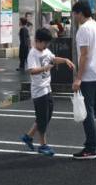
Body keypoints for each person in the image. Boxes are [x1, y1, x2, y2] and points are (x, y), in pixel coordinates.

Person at [20, 28, 74, 156]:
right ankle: (43, 145)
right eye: (44, 43)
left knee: (46, 115)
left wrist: (65, 60)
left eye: (47, 44)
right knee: (43, 118)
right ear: (37, 41)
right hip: (39, 91)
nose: (46, 46)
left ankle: (28, 136)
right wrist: (45, 67)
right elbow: (31, 70)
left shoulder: (45, 50)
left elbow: (53, 59)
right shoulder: (33, 53)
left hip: (47, 88)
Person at [71, 0, 96, 160]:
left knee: (88, 112)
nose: (74, 16)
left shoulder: (83, 30)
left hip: (89, 77)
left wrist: (78, 78)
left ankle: (90, 148)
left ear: (80, 13)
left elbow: (84, 55)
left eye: (74, 13)